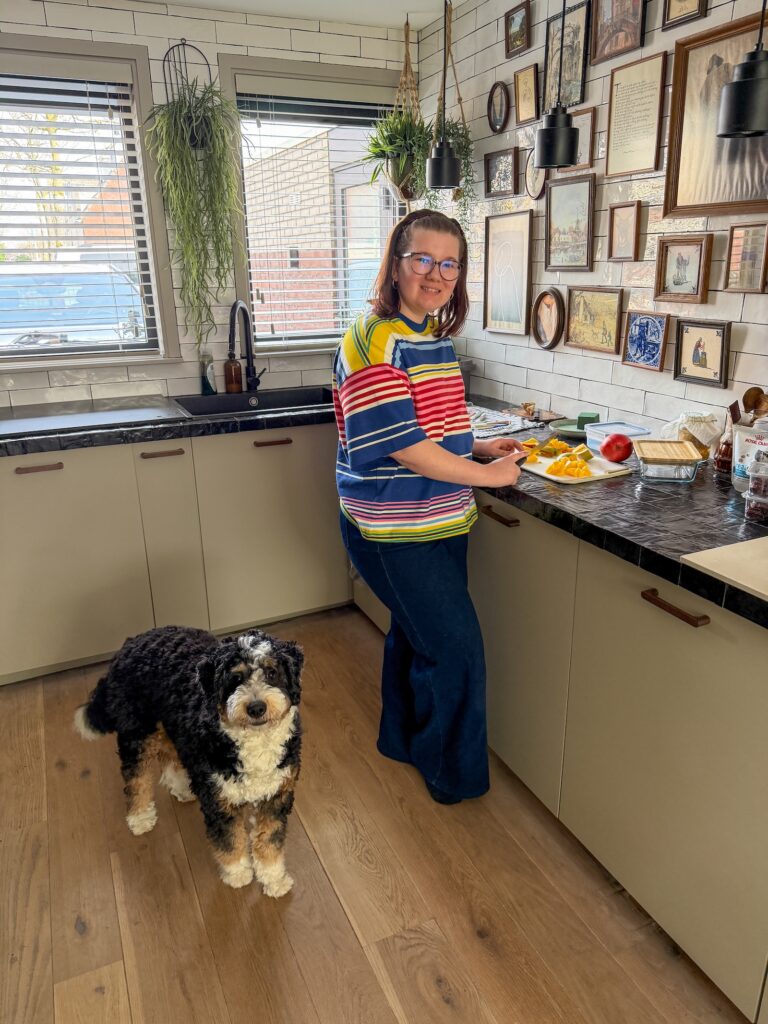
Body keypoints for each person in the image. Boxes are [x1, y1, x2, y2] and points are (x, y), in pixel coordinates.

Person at [332, 209, 526, 804]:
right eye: (423, 259)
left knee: (415, 636)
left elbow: (433, 429)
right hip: (391, 529)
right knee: (455, 651)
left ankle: (402, 740)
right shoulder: (372, 338)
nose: (436, 274)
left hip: (439, 518)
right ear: (395, 264)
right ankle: (451, 777)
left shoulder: (432, 338)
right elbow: (405, 447)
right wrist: (487, 476)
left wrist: (481, 445)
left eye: (450, 263)